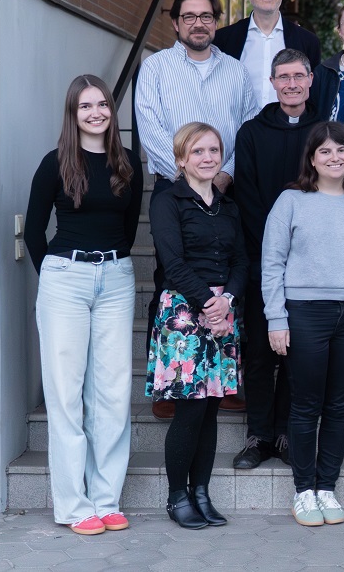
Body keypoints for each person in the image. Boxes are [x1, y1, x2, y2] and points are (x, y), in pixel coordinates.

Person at [26, 75, 143, 536]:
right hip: (65, 280)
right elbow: (35, 231)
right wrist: (57, 278)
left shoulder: (128, 163)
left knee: (113, 394)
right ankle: (74, 506)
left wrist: (106, 267)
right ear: (73, 114)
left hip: (116, 278)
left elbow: (130, 228)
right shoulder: (54, 164)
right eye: (86, 106)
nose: (96, 113)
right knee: (66, 393)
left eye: (103, 105)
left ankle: (105, 499)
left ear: (112, 111)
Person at [136, 0, 258, 418]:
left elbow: (246, 129)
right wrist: (186, 177)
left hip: (224, 185)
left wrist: (222, 175)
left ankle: (225, 377)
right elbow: (148, 123)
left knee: (226, 273)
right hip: (176, 185)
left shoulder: (236, 71)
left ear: (217, 21)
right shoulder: (155, 67)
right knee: (171, 276)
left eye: (206, 16)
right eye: (189, 16)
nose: (198, 23)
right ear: (175, 22)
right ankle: (170, 383)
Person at [262, 122, 344, 527]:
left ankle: (327, 487)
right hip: (304, 313)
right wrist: (276, 318)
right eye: (325, 152)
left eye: (342, 151)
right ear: (312, 159)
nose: (335, 158)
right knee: (305, 404)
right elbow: (272, 263)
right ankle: (303, 491)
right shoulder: (291, 201)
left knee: (338, 405)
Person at [146, 123, 248, 530]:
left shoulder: (229, 207)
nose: (208, 158)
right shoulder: (168, 202)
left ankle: (201, 493)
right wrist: (210, 304)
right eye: (198, 151)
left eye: (214, 150)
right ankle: (177, 497)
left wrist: (228, 302)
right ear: (181, 159)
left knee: (211, 410)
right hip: (185, 315)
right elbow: (173, 263)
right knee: (189, 410)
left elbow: (241, 261)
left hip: (222, 313)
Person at [231, 48, 326, 469]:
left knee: (298, 349)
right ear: (272, 83)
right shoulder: (251, 131)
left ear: (310, 80)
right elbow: (246, 193)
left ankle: (287, 433)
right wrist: (271, 246)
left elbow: (331, 189)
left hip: (310, 260)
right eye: (282, 77)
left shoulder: (324, 130)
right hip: (259, 256)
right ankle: (258, 436)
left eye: (298, 76)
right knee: (260, 350)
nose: (291, 84)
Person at [213, 0, 321, 107]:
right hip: (238, 129)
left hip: (289, 129)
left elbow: (313, 96)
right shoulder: (222, 40)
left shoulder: (308, 42)